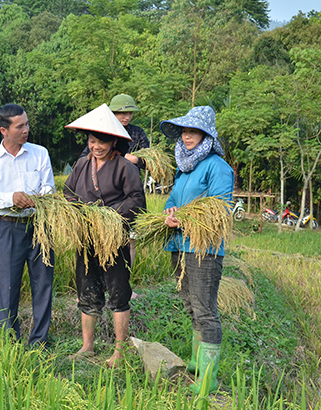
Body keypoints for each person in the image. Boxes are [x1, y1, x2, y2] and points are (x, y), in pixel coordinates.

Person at [63, 104, 146, 367]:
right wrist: (81, 213)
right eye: (92, 141)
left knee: (118, 293)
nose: (96, 146)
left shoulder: (124, 167)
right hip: (87, 239)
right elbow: (68, 193)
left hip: (114, 239)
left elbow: (136, 200)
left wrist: (108, 216)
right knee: (87, 291)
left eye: (102, 141)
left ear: (114, 141)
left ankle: (119, 352)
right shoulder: (80, 165)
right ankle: (87, 346)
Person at [160, 106, 234, 394]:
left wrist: (186, 218)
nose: (187, 136)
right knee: (190, 304)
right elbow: (172, 200)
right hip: (179, 244)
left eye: (194, 131)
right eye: (185, 131)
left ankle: (208, 380)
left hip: (204, 248)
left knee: (205, 310)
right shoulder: (184, 166)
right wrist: (169, 214)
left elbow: (220, 210)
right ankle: (196, 364)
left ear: (207, 135)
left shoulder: (217, 167)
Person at [0, 104, 55, 346]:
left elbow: (49, 188)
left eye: (27, 124)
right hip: (10, 228)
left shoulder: (39, 153)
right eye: (20, 126)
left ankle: (39, 342)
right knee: (8, 286)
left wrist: (37, 198)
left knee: (43, 284)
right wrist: (10, 198)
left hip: (40, 226)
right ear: (4, 130)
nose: (26, 130)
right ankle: (9, 341)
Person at [79, 94, 150, 273]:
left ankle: (125, 282)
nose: (126, 117)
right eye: (120, 113)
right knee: (98, 238)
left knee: (129, 239)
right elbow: (85, 157)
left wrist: (135, 160)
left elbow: (149, 161)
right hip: (104, 193)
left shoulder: (137, 133)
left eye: (129, 113)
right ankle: (100, 281)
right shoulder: (101, 130)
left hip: (128, 191)